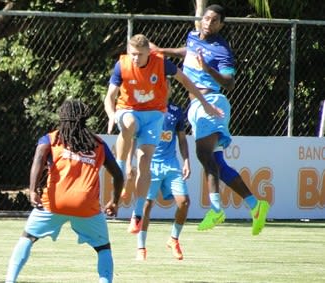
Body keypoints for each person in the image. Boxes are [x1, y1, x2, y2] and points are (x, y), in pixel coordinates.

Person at [152, 4, 270, 235]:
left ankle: (216, 209)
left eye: (214, 21)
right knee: (217, 163)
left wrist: (207, 69)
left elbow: (229, 82)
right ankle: (256, 206)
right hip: (196, 105)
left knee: (204, 156)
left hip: (211, 101)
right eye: (206, 18)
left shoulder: (222, 50)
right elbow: (187, 52)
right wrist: (162, 51)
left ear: (221, 25)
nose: (208, 23)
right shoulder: (193, 36)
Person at [104, 34, 221, 235]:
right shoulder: (121, 65)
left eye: (139, 54)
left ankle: (137, 214)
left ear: (149, 52)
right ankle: (120, 170)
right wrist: (111, 114)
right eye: (132, 54)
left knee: (144, 164)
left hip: (154, 115)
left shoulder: (161, 64)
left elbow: (186, 81)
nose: (135, 58)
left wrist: (205, 103)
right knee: (129, 123)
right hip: (128, 109)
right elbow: (110, 97)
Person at [5, 99, 125, 283]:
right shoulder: (98, 144)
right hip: (86, 206)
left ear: (62, 117)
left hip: (54, 202)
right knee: (103, 248)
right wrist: (114, 201)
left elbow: (37, 161)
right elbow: (118, 175)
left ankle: (10, 280)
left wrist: (33, 190)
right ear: (86, 118)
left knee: (28, 237)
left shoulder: (51, 139)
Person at [135, 102, 190, 261]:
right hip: (151, 164)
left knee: (184, 202)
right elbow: (135, 137)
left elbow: (182, 139)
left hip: (171, 164)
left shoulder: (176, 111)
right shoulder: (145, 109)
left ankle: (173, 239)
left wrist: (186, 160)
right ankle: (141, 247)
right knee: (146, 205)